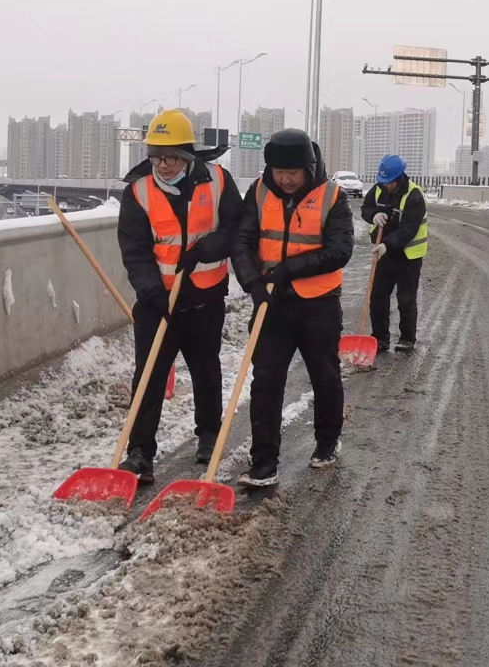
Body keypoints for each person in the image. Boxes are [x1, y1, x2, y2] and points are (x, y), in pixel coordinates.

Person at [116, 109, 242, 483]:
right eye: (156, 156)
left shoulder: (218, 180)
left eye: (170, 156)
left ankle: (208, 434)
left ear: (187, 154)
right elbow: (134, 249)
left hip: (204, 297)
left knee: (206, 368)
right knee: (150, 374)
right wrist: (151, 291)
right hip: (158, 302)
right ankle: (139, 452)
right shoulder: (138, 191)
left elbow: (236, 226)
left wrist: (208, 249)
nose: (163, 164)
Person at [229, 128, 354, 488]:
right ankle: (265, 462)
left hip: (318, 306)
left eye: (293, 172)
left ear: (309, 167)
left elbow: (339, 251)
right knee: (266, 381)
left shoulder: (332, 197)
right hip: (273, 304)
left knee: (325, 377)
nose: (285, 179)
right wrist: (253, 284)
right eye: (279, 171)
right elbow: (242, 240)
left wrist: (289, 270)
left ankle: (326, 443)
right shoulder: (258, 192)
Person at [360, 154, 428, 354]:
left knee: (405, 298)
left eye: (389, 181)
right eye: (383, 181)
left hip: (408, 256)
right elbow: (366, 208)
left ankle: (407, 339)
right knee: (378, 296)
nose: (385, 185)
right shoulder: (378, 189)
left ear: (398, 178)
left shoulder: (414, 196)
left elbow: (409, 229)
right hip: (384, 254)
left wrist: (387, 245)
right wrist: (374, 215)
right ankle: (380, 338)